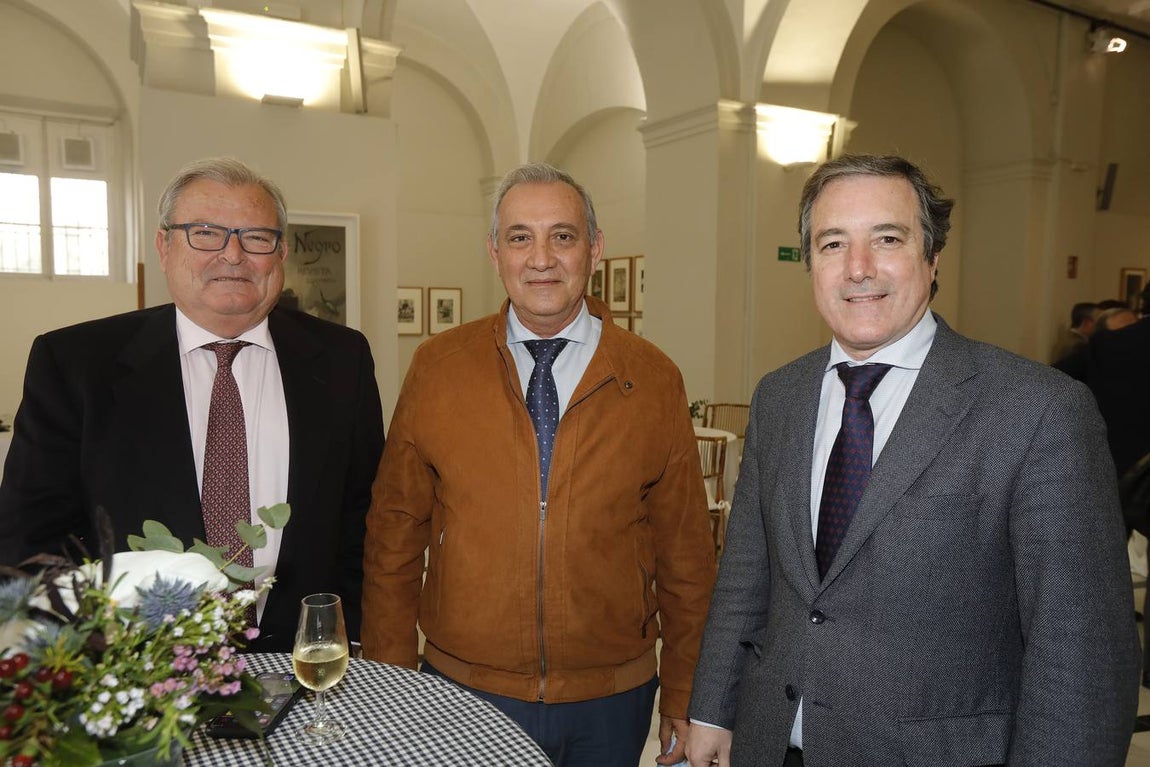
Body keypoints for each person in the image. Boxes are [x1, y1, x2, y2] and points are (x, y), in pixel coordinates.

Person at [686, 154, 1139, 767]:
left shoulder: (1038, 411)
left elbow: (1080, 656)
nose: (858, 269)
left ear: (932, 259)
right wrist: (713, 707)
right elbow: (747, 573)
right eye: (832, 243)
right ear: (810, 263)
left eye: (888, 239)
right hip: (774, 743)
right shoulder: (781, 395)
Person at [361, 162, 716, 767]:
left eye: (563, 235)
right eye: (520, 237)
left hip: (611, 701)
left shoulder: (654, 378)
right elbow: (393, 535)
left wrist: (685, 688)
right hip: (461, 692)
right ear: (495, 252)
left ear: (595, 249)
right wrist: (391, 683)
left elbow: (686, 555)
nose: (541, 258)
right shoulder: (438, 368)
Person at [0, 157, 385, 652]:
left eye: (256, 237)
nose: (233, 255)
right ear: (164, 246)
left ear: (281, 253)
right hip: (138, 669)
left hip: (301, 662)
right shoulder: (75, 363)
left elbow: (365, 519)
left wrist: (347, 633)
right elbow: (30, 538)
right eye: (205, 233)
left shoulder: (342, 359)